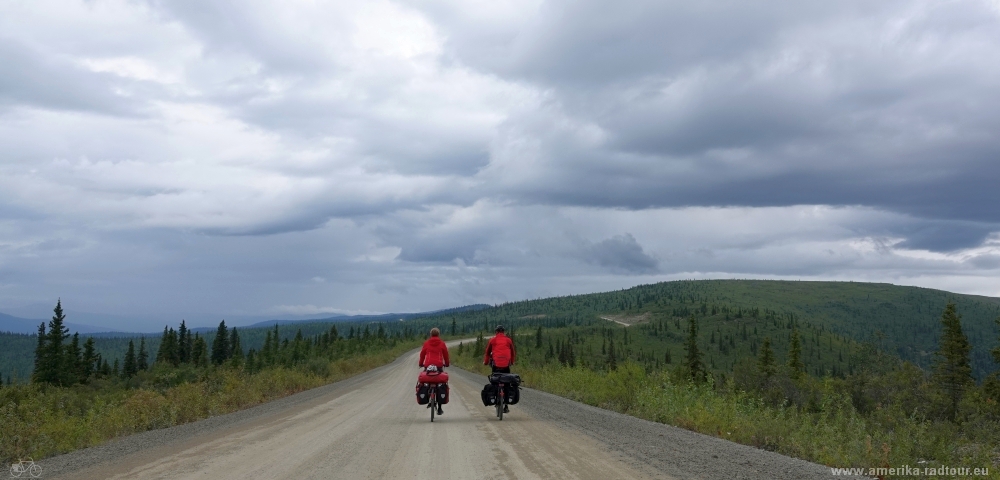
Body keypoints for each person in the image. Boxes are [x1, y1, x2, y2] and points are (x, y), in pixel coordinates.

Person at [483, 325, 516, 412]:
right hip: (506, 365)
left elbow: (487, 353)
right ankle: (506, 406)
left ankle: (495, 397)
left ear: (496, 332)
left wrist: (485, 362)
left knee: (494, 381)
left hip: (496, 365)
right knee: (507, 382)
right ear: (503, 332)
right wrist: (512, 362)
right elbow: (513, 353)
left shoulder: (493, 340)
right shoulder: (508, 340)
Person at [419, 327, 449, 415]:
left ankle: (427, 396)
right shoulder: (442, 343)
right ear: (438, 334)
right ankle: (439, 408)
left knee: (426, 381)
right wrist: (446, 363)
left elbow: (422, 354)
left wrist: (421, 363)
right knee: (440, 384)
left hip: (428, 365)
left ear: (430, 334)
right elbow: (446, 354)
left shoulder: (426, 343)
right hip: (439, 365)